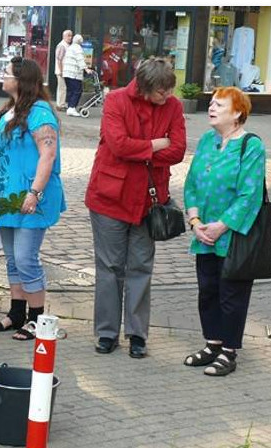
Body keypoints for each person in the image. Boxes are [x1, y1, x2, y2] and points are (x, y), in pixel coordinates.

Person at [84, 57, 186, 358]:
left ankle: (137, 335)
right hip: (109, 197)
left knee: (141, 267)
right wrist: (155, 145)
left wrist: (138, 148)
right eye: (162, 91)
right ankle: (106, 333)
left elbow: (178, 150)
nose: (167, 96)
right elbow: (117, 145)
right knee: (109, 268)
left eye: (169, 90)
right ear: (143, 87)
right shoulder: (116, 101)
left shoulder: (173, 106)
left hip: (149, 200)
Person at [182, 87, 265, 377]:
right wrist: (195, 221)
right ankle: (212, 344)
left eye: (219, 104)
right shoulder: (207, 140)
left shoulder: (251, 146)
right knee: (208, 291)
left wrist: (221, 226)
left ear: (238, 112)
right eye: (211, 103)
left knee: (231, 294)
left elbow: (249, 194)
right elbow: (191, 183)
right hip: (203, 233)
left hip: (233, 236)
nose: (211, 107)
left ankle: (229, 351)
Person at [0, 57, 66, 341]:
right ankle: (16, 312)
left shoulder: (39, 112)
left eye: (7, 73)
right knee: (12, 259)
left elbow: (48, 155)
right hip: (6, 199)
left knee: (25, 258)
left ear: (22, 80)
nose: (2, 76)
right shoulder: (9, 110)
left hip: (30, 198)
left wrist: (35, 192)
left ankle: (36, 318)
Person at [63, 34, 87, 117]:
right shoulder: (78, 48)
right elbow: (80, 59)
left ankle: (70, 106)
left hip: (66, 73)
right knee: (77, 91)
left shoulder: (70, 48)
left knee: (70, 91)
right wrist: (86, 69)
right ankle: (72, 108)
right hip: (74, 74)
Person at [54, 29, 72, 110]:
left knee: (63, 88)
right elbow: (59, 59)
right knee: (62, 88)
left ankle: (61, 104)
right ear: (64, 36)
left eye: (71, 35)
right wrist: (61, 71)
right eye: (68, 35)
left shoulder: (66, 45)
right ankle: (60, 105)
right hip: (61, 71)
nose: (70, 37)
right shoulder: (62, 45)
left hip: (64, 71)